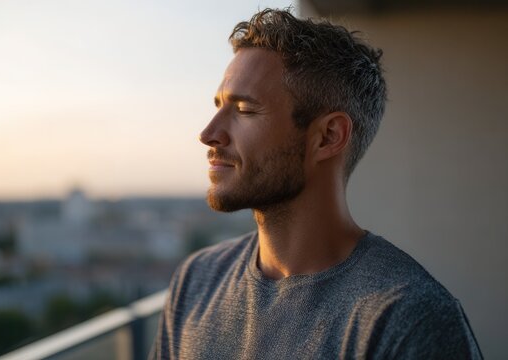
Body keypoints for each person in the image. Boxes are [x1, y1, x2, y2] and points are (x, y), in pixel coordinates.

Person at [149, 8, 482, 360]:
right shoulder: (196, 282)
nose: (209, 134)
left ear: (328, 137)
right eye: (218, 106)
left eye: (245, 110)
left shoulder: (408, 319)